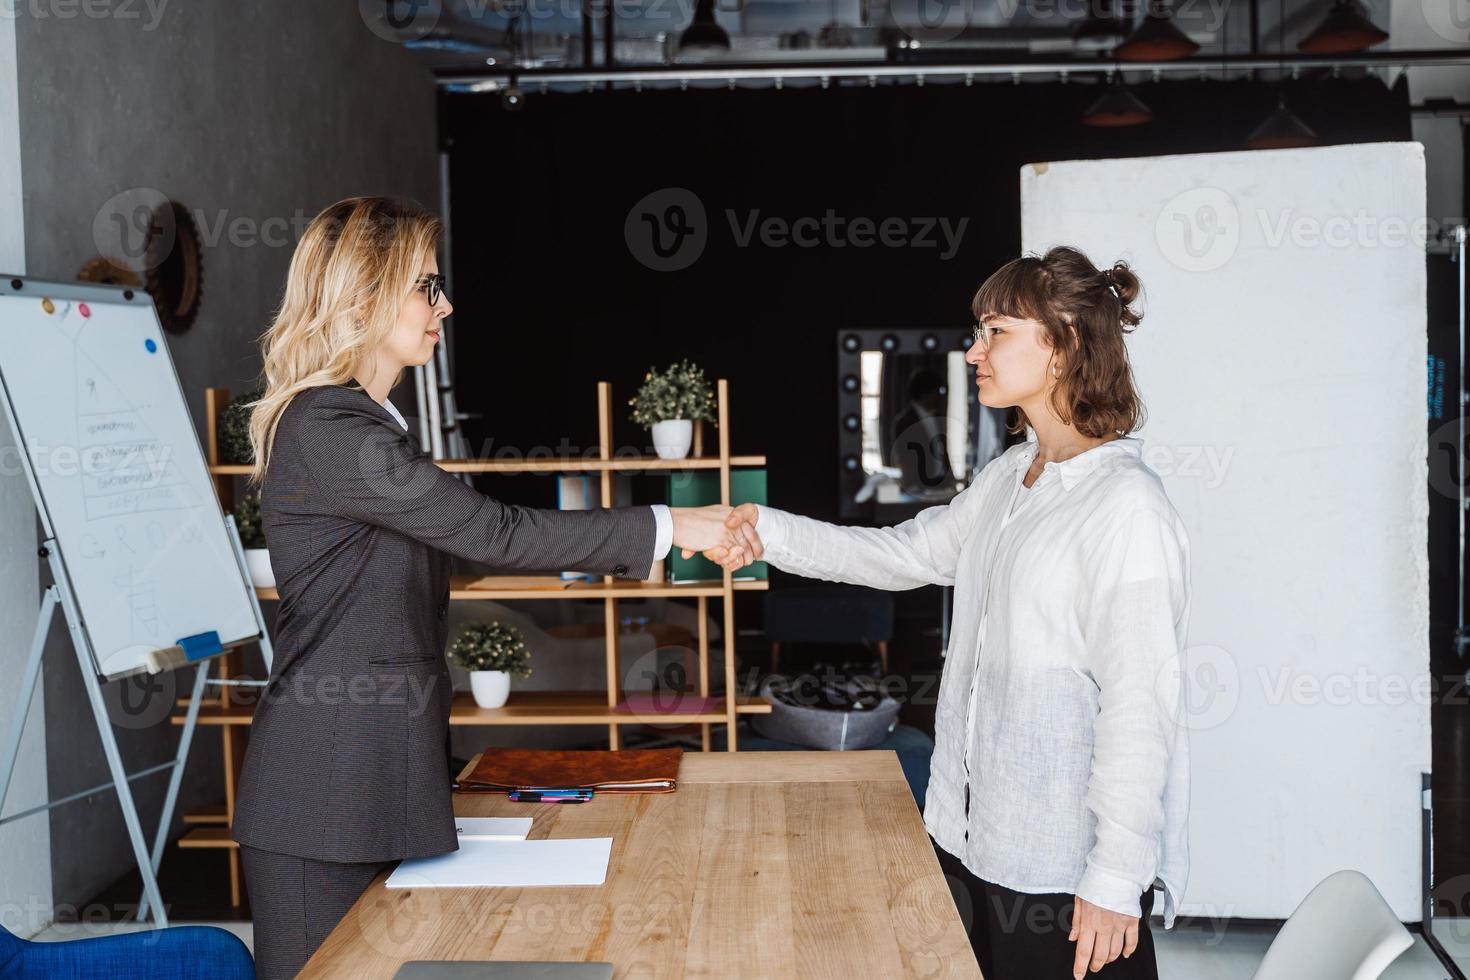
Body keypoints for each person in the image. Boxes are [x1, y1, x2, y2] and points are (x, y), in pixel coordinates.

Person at [230, 196, 755, 978]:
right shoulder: (329, 429)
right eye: (427, 286)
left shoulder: (365, 424)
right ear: (365, 296)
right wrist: (671, 527)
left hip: (377, 782)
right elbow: (492, 533)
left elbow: (464, 546)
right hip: (325, 800)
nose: (447, 305)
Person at [727, 246, 1191, 979]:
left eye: (996, 331)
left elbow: (1140, 707)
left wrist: (1114, 878)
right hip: (972, 841)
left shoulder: (1125, 507)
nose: (974, 351)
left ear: (1065, 342)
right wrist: (766, 530)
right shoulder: (1012, 478)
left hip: (1060, 877)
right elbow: (899, 555)